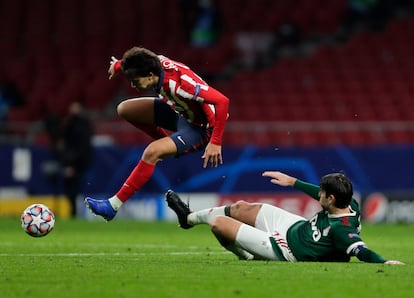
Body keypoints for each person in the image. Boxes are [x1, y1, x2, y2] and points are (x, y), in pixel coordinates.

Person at [85, 47, 230, 221]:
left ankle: (112, 206)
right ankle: (167, 143)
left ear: (150, 75)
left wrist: (215, 141)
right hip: (182, 113)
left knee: (152, 152)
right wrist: (118, 65)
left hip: (203, 128)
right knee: (125, 109)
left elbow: (222, 101)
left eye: (135, 80)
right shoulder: (153, 64)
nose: (133, 84)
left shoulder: (181, 86)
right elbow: (140, 56)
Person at [166, 171, 404, 264]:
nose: (318, 194)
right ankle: (188, 219)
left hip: (286, 249)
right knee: (241, 208)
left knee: (219, 224)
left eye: (322, 193)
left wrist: (385, 262)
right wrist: (293, 182)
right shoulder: (347, 202)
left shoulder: (342, 229)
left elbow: (360, 250)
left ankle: (246, 256)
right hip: (295, 227)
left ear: (330, 199)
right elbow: (319, 193)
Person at [59, 102, 94, 217]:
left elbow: (80, 146)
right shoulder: (70, 125)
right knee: (72, 189)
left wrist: (71, 164)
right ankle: (74, 211)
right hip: (76, 162)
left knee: (75, 188)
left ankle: (76, 212)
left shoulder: (79, 126)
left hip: (79, 162)